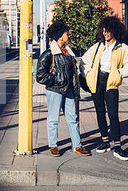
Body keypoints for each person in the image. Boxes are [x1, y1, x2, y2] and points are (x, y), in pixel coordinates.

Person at [80, 16, 128, 161]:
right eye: (103, 31)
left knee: (113, 114)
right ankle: (105, 141)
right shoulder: (98, 46)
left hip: (111, 82)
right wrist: (88, 73)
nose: (105, 34)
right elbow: (84, 61)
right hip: (97, 81)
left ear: (115, 31)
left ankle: (117, 145)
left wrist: (119, 73)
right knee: (100, 112)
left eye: (108, 31)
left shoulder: (123, 48)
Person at [36, 21, 90, 157]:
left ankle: (77, 145)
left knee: (73, 118)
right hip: (55, 90)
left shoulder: (68, 53)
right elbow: (40, 76)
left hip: (69, 90)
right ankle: (53, 146)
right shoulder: (49, 54)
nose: (68, 35)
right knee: (53, 119)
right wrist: (56, 80)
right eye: (66, 33)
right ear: (60, 36)